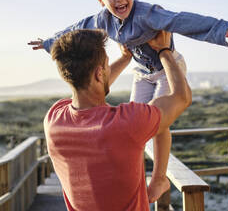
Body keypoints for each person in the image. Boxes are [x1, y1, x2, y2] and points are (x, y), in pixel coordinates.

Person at [30, 0, 228, 200]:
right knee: (138, 121)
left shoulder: (148, 14)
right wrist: (49, 42)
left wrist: (222, 27)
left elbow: (180, 20)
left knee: (161, 117)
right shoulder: (101, 20)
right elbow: (75, 30)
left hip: (168, 65)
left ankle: (159, 179)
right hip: (142, 71)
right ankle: (135, 177)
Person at [43, 29, 192, 210]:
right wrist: (164, 51)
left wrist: (123, 59)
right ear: (99, 74)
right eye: (107, 65)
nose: (108, 68)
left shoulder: (53, 119)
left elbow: (85, 87)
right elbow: (181, 97)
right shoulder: (126, 123)